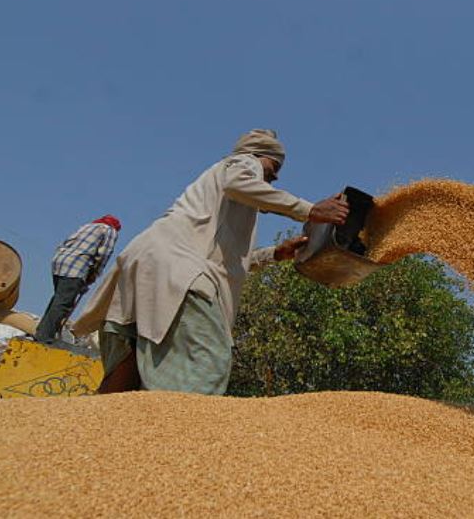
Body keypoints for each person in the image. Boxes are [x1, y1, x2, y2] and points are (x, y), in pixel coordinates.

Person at [72, 129, 349, 394]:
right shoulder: (244, 163)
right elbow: (239, 183)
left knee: (129, 368)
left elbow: (221, 260)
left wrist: (275, 254)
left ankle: (99, 435)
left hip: (144, 262)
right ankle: (177, 438)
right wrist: (309, 209)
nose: (269, 181)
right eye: (270, 172)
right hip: (176, 265)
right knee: (207, 363)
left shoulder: (219, 206)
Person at [35, 215, 121, 343]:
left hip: (60, 262)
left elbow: (66, 242)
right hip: (76, 266)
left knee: (58, 299)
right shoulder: (109, 230)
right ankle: (45, 337)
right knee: (63, 303)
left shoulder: (88, 226)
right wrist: (94, 275)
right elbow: (103, 254)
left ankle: (42, 332)